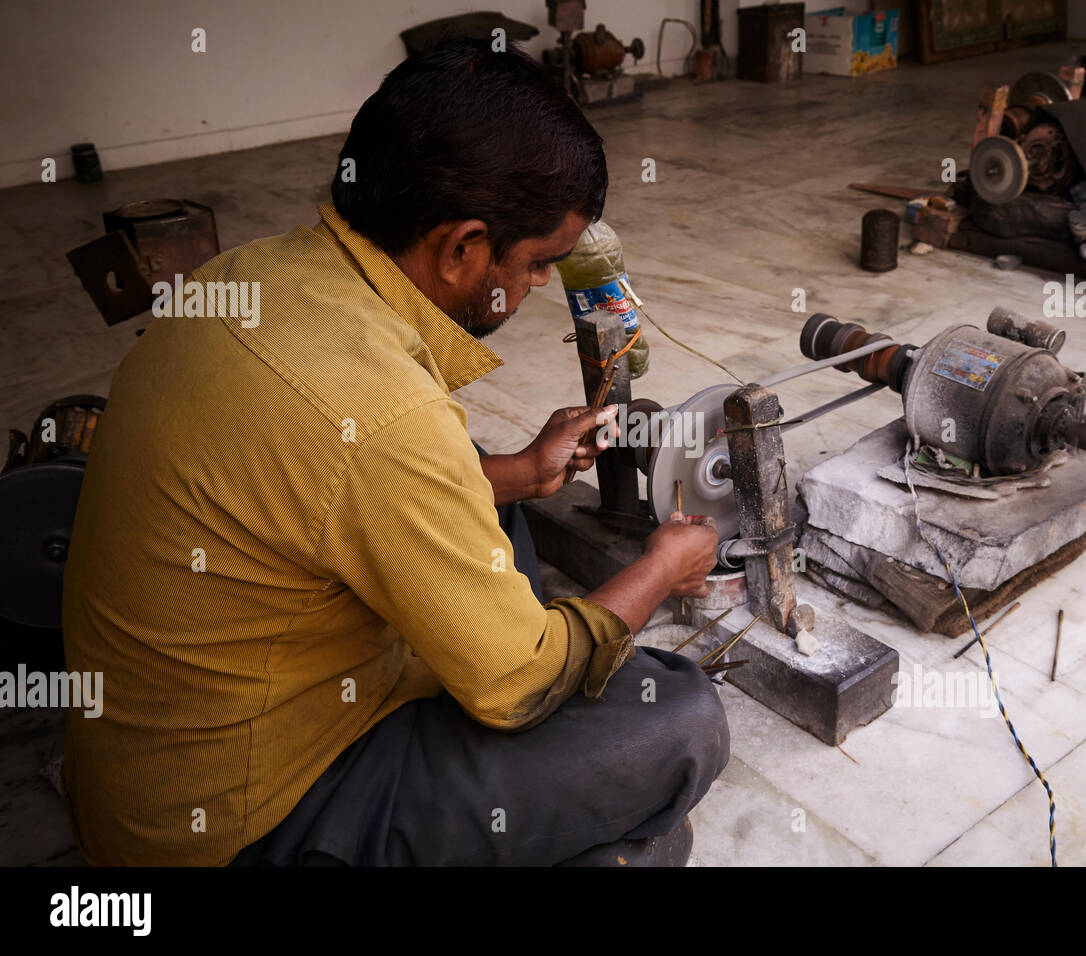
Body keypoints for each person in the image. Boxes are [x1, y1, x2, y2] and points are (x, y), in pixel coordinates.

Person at [60, 36, 728, 867]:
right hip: (239, 824)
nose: (534, 290)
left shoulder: (247, 277)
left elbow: (328, 477)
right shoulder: (383, 419)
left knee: (490, 495)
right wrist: (665, 566)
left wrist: (519, 475)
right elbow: (520, 689)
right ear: (462, 248)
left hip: (147, 764)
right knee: (679, 720)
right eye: (534, 266)